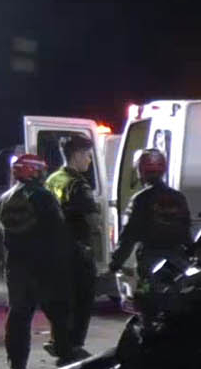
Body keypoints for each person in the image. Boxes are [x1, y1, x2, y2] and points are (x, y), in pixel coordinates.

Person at [0, 154, 79, 369]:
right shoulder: (43, 197)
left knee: (18, 314)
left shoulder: (2, 199)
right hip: (44, 264)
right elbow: (58, 231)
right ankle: (64, 355)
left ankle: (17, 364)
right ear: (35, 171)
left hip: (15, 266)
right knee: (57, 309)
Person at [45, 135, 100, 354]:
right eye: (87, 156)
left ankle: (58, 341)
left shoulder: (52, 179)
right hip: (77, 251)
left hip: (54, 250)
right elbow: (93, 221)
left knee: (60, 300)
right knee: (82, 299)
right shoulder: (78, 184)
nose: (89, 161)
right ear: (77, 155)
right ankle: (74, 345)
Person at [108, 149, 192, 284]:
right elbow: (187, 235)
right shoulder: (179, 198)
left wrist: (114, 265)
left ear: (140, 171)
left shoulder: (140, 199)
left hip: (151, 264)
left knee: (148, 300)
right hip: (178, 265)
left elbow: (128, 237)